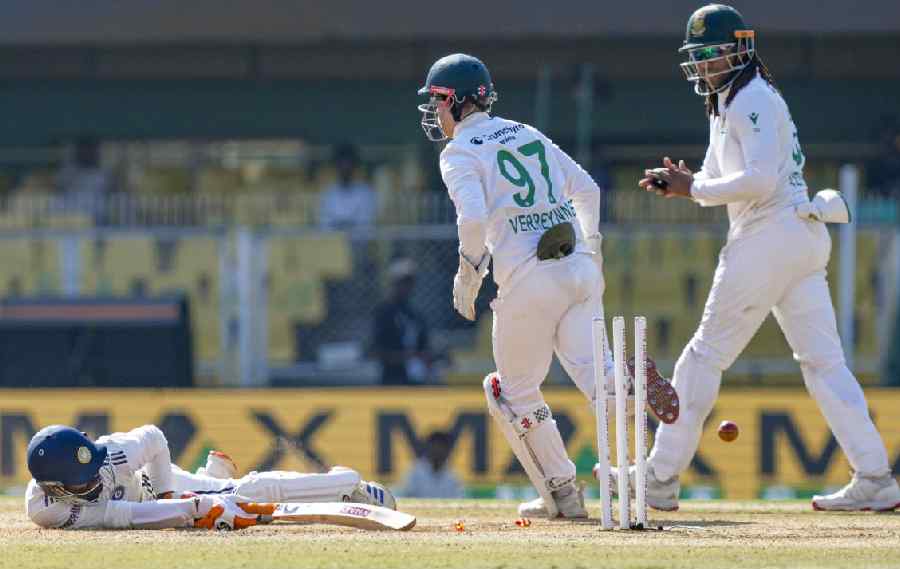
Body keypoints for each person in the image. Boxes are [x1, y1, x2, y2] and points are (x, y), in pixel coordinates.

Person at [636, 4, 900, 512]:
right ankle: (876, 476)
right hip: (795, 235)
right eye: (699, 56)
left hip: (772, 233)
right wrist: (685, 183)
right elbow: (716, 174)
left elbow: (758, 181)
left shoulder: (752, 96)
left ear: (741, 49)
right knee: (825, 365)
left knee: (703, 355)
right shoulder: (727, 101)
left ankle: (660, 477)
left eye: (713, 55)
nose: (706, 65)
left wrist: (696, 190)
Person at [417, 53, 679, 519]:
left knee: (509, 390)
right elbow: (589, 190)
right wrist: (592, 248)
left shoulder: (458, 152)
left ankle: (562, 493)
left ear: (457, 101)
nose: (435, 112)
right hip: (579, 268)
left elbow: (473, 218)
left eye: (437, 101)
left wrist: (468, 274)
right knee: (597, 376)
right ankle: (627, 385)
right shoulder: (525, 131)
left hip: (528, 279)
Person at [25, 424, 396, 530]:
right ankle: (208, 476)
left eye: (95, 470)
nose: (96, 479)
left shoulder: (116, 453)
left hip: (156, 484)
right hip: (146, 503)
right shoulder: (47, 510)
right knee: (222, 494)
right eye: (83, 482)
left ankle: (347, 484)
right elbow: (124, 517)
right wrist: (193, 507)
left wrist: (171, 495)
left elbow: (155, 437)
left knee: (248, 489)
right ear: (55, 488)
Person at [372, 258, 432, 385]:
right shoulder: (383, 313)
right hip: (393, 379)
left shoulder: (415, 315)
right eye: (402, 282)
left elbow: (423, 345)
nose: (406, 287)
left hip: (417, 378)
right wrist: (405, 357)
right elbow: (377, 350)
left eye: (409, 283)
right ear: (393, 284)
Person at [317, 143, 378, 230]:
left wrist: (343, 226)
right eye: (341, 163)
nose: (345, 168)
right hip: (334, 242)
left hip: (359, 243)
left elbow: (366, 227)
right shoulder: (328, 194)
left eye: (348, 163)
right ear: (336, 166)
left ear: (354, 165)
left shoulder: (366, 193)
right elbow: (324, 225)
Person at [400, 431, 464, 499]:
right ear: (428, 447)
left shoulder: (453, 476)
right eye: (435, 446)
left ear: (448, 450)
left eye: (441, 447)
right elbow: (406, 498)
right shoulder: (414, 472)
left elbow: (458, 501)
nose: (438, 450)